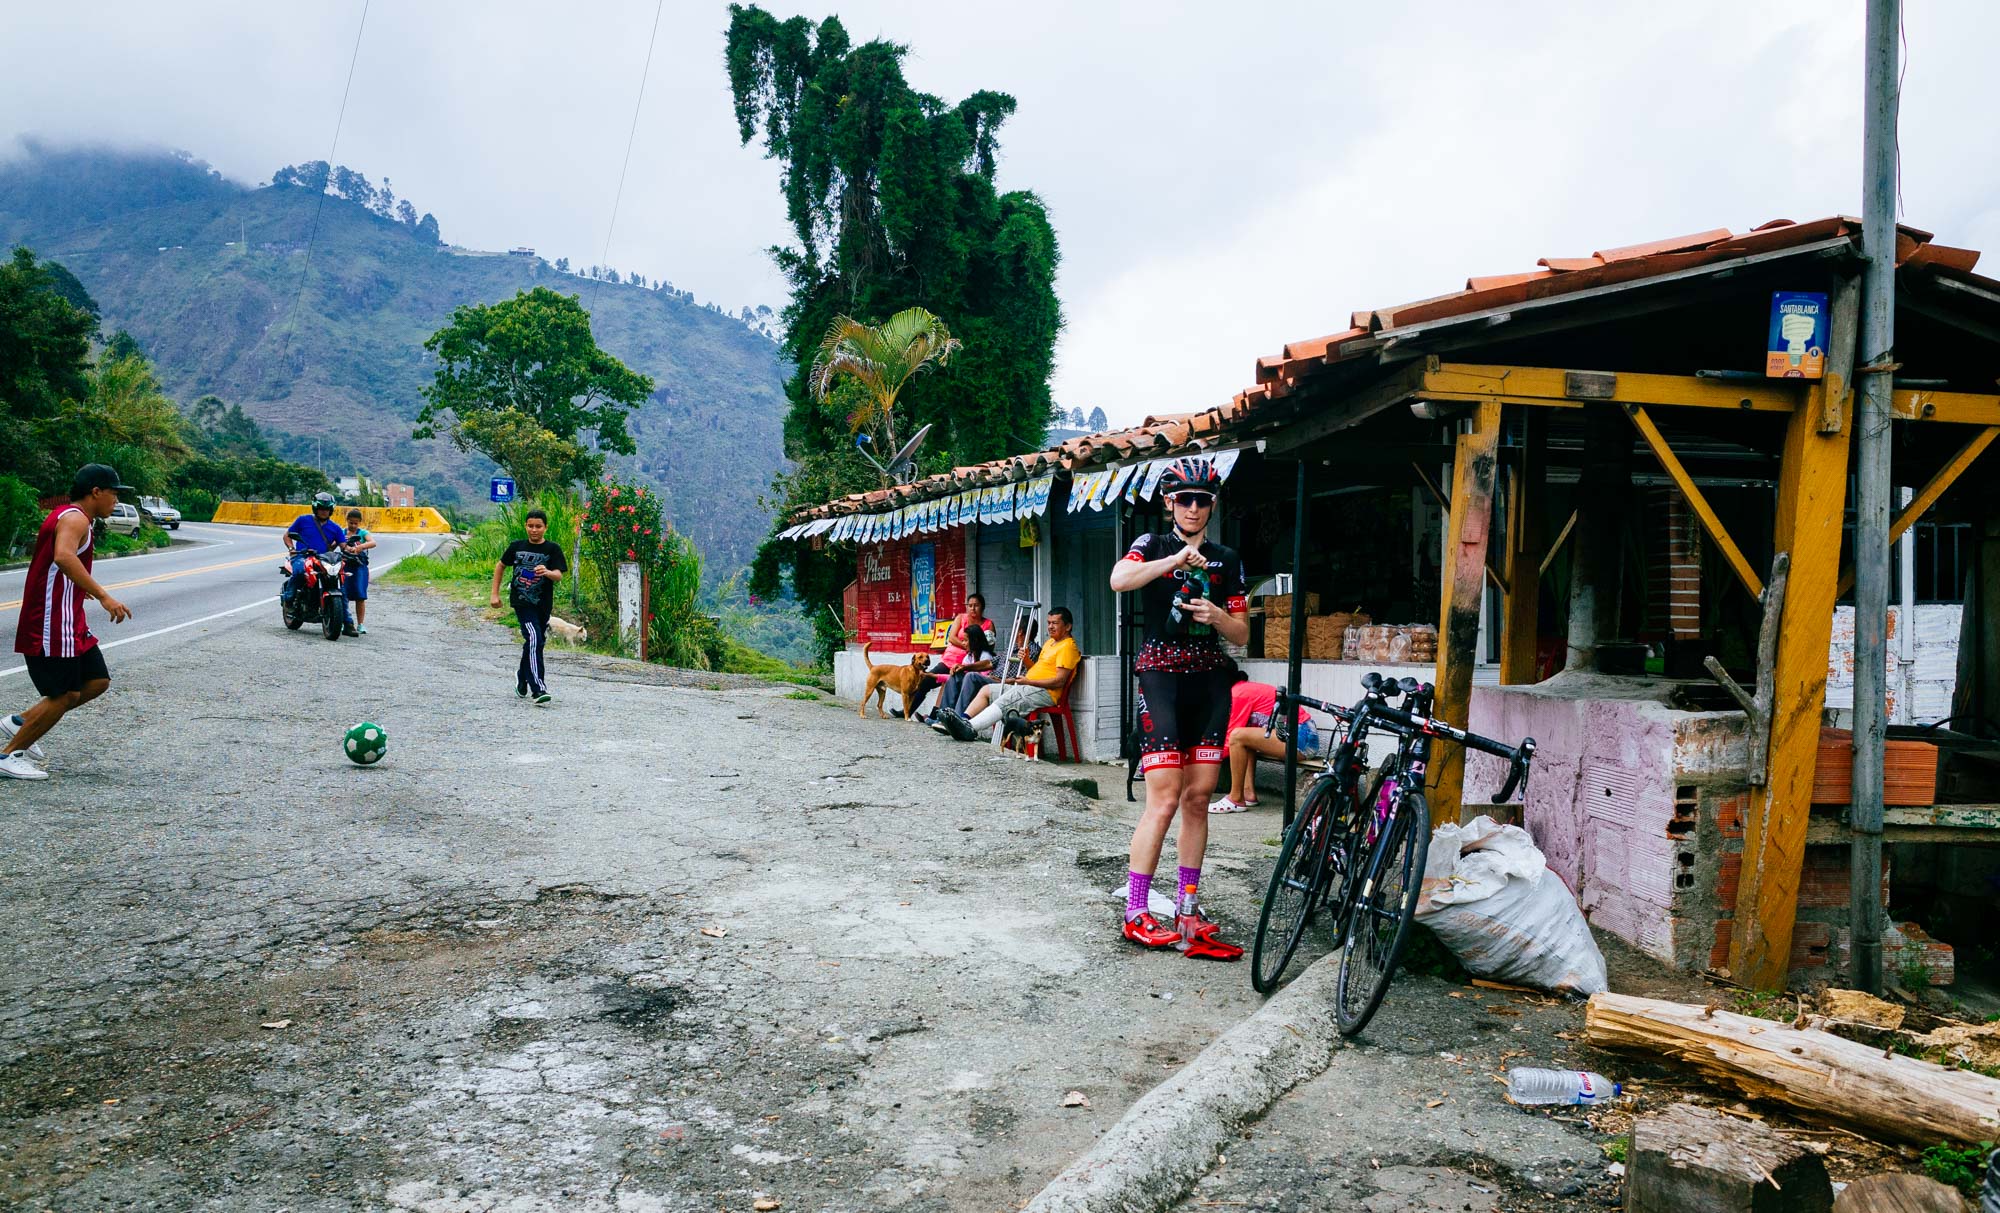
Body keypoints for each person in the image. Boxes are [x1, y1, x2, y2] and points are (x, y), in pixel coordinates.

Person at [1107, 456, 1250, 960]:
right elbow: (1119, 581)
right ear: (1169, 502)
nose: (1193, 507)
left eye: (1202, 500)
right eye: (1184, 499)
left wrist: (1215, 615)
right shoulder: (1152, 544)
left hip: (1210, 679)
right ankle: (1137, 910)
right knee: (1164, 798)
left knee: (1199, 797)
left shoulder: (1228, 557)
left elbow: (1243, 632)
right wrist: (1174, 562)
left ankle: (1189, 909)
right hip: (1161, 675)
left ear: (1212, 506)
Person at [2, 465, 135, 781]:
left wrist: (80, 588)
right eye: (114, 494)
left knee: (96, 680)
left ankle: (20, 722)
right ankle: (9, 755)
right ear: (96, 492)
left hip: (69, 618)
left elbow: (58, 563)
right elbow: (63, 556)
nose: (115, 501)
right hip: (51, 621)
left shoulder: (70, 515)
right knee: (64, 695)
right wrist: (103, 595)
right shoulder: (76, 519)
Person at [940, 608, 1078, 742]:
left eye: (1055, 623)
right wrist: (1027, 662)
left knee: (1007, 700)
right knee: (987, 690)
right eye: (1048, 623)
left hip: (1044, 692)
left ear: (1067, 626)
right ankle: (964, 720)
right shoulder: (1050, 643)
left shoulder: (1067, 647)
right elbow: (1037, 669)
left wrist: (1028, 682)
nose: (1050, 627)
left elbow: (1059, 681)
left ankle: (971, 728)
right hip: (1028, 685)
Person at [1209, 673, 1320, 814]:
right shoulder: (1241, 689)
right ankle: (1248, 793)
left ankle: (1235, 799)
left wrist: (1206, 759)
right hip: (1300, 736)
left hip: (1302, 738)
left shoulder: (1238, 693)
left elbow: (1230, 737)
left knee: (1237, 737)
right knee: (1245, 738)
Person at [490, 508, 567, 704]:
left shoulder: (552, 549)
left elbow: (558, 575)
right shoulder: (516, 547)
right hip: (522, 602)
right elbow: (500, 565)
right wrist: (495, 594)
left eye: (538, 526)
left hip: (542, 604)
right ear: (525, 526)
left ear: (545, 527)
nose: (534, 530)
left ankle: (522, 676)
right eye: (530, 526)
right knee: (533, 637)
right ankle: (538, 688)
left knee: (537, 641)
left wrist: (547, 572)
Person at [931, 617, 1037, 730]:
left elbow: (1023, 680)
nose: (1012, 629)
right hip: (991, 679)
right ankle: (942, 719)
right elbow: (990, 663)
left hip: (1003, 684)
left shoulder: (1033, 651)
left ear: (1020, 631)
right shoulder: (1012, 648)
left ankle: (956, 721)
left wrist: (999, 680)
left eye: (1015, 626)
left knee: (971, 676)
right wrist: (964, 667)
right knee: (956, 674)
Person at [904, 592, 988, 720]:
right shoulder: (961, 618)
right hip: (949, 660)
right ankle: (907, 711)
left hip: (967, 665)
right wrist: (968, 646)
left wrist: (972, 649)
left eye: (976, 605)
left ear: (982, 607)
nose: (973, 608)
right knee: (925, 681)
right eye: (970, 605)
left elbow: (987, 645)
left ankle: (934, 716)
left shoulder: (988, 624)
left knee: (947, 684)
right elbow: (952, 637)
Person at [283, 491, 355, 635]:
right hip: (302, 556)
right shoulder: (303, 520)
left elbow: (343, 545)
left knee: (341, 583)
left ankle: (348, 622)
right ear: (315, 508)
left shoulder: (335, 528)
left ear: (331, 510)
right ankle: (289, 599)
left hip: (325, 559)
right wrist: (291, 548)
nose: (324, 511)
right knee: (299, 571)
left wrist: (352, 549)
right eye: (321, 508)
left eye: (327, 509)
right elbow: (287, 535)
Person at [340, 509, 377, 635]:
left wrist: (360, 547)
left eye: (356, 523)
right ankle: (343, 622)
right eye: (351, 523)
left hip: (359, 566)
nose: (353, 526)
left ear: (359, 522)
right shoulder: (342, 532)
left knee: (360, 596)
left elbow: (372, 542)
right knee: (342, 594)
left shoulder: (363, 533)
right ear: (347, 521)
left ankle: (360, 624)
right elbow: (333, 544)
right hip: (344, 565)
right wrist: (344, 544)